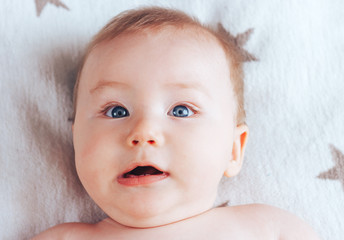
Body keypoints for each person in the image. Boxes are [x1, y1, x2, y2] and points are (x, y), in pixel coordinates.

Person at [33, 6, 321, 239]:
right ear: (76, 140)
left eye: (181, 110)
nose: (144, 132)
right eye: (116, 111)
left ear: (234, 150)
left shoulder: (267, 229)